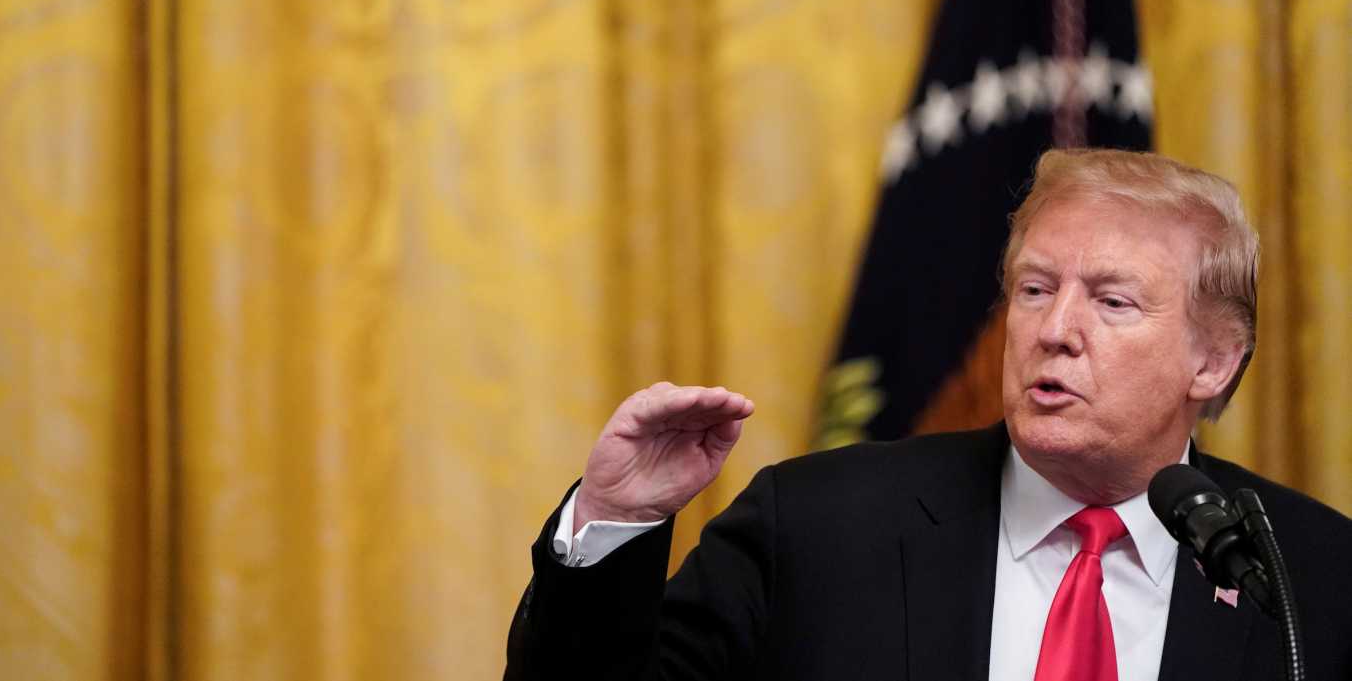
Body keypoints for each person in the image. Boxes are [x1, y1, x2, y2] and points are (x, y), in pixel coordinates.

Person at [503, 149, 1352, 681]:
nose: (1055, 331)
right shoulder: (814, 525)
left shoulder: (1315, 573)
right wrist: (615, 522)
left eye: (1114, 301)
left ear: (1214, 359)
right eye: (1035, 289)